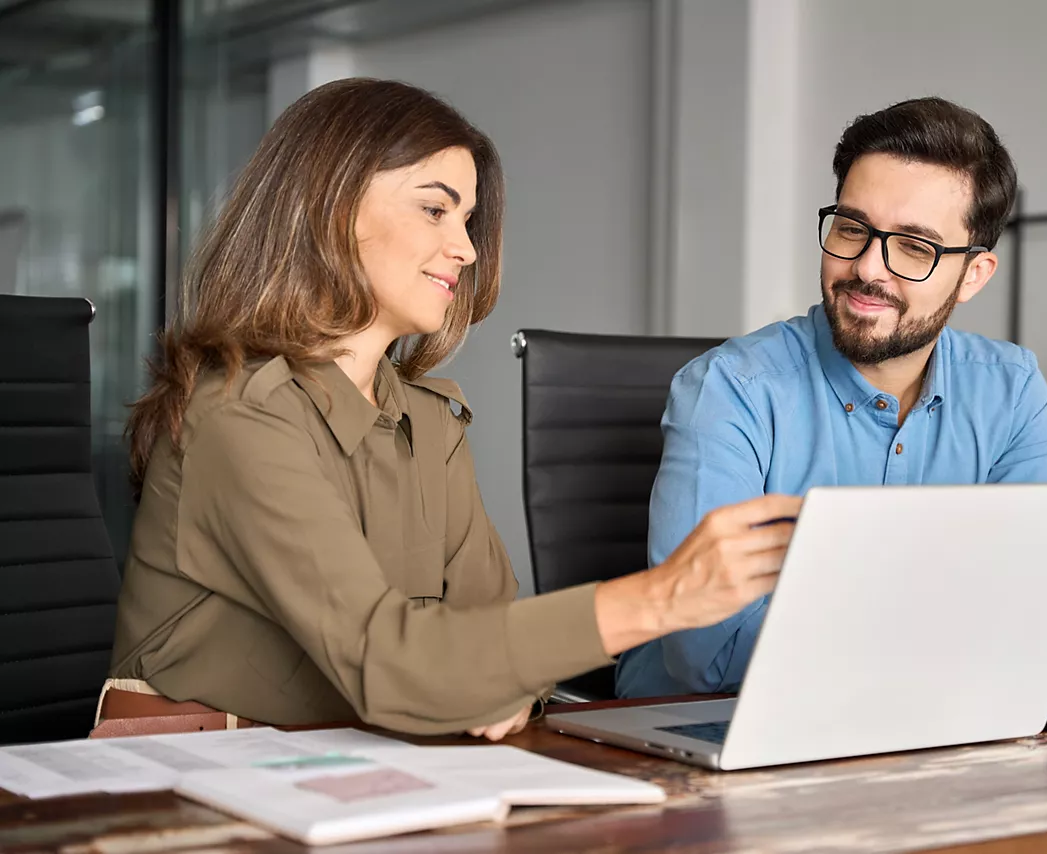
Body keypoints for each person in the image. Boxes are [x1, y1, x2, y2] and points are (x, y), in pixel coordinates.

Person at [106, 78, 799, 740]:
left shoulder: (428, 421)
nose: (466, 248)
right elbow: (393, 662)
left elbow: (493, 640)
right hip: (197, 780)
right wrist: (661, 598)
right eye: (435, 209)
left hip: (365, 766)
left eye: (468, 219)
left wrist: (486, 677)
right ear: (328, 206)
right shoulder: (238, 415)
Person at [615, 97, 1047, 699]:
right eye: (852, 228)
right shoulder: (728, 390)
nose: (868, 269)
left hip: (924, 726)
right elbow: (708, 652)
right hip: (702, 731)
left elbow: (1032, 615)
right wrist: (940, 626)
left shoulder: (1012, 392)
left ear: (974, 276)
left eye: (914, 246)